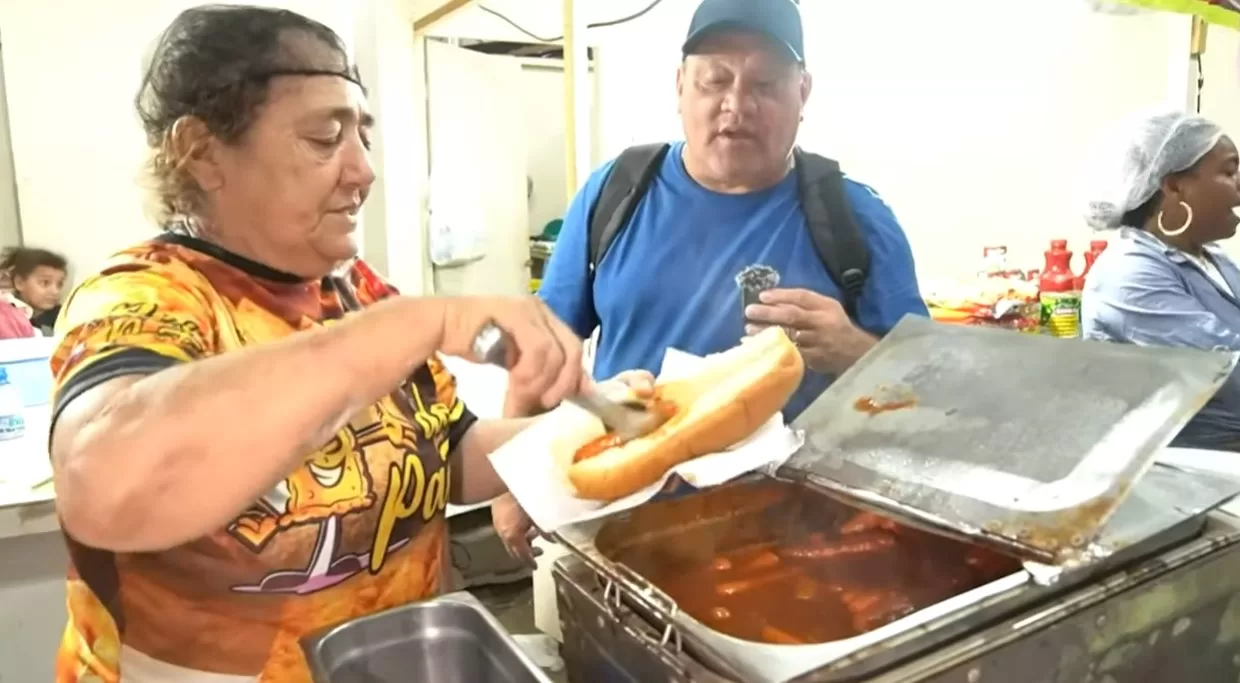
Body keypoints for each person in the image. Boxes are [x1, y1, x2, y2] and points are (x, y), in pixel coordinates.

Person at [48, 6, 650, 681]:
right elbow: (102, 483)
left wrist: (592, 429)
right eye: (323, 137)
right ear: (204, 152)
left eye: (362, 135)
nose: (363, 172)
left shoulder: (362, 292)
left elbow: (445, 453)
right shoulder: (145, 297)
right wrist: (421, 321)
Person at [492, 0, 927, 557]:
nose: (736, 105)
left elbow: (924, 388)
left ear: (803, 94)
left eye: (765, 84)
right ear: (680, 87)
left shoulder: (856, 217)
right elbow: (543, 349)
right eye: (714, 80)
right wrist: (514, 478)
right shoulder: (617, 192)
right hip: (621, 529)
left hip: (801, 543)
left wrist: (854, 350)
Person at [1081, 109, 1240, 450]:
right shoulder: (1128, 274)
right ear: (1173, 185)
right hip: (1186, 474)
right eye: (1229, 171)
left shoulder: (1210, 258)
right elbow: (1225, 366)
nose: (1239, 181)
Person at [0, 246, 67, 334]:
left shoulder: (62, 316)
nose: (55, 291)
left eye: (59, 284)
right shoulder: (7, 315)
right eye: (45, 283)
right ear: (19, 283)